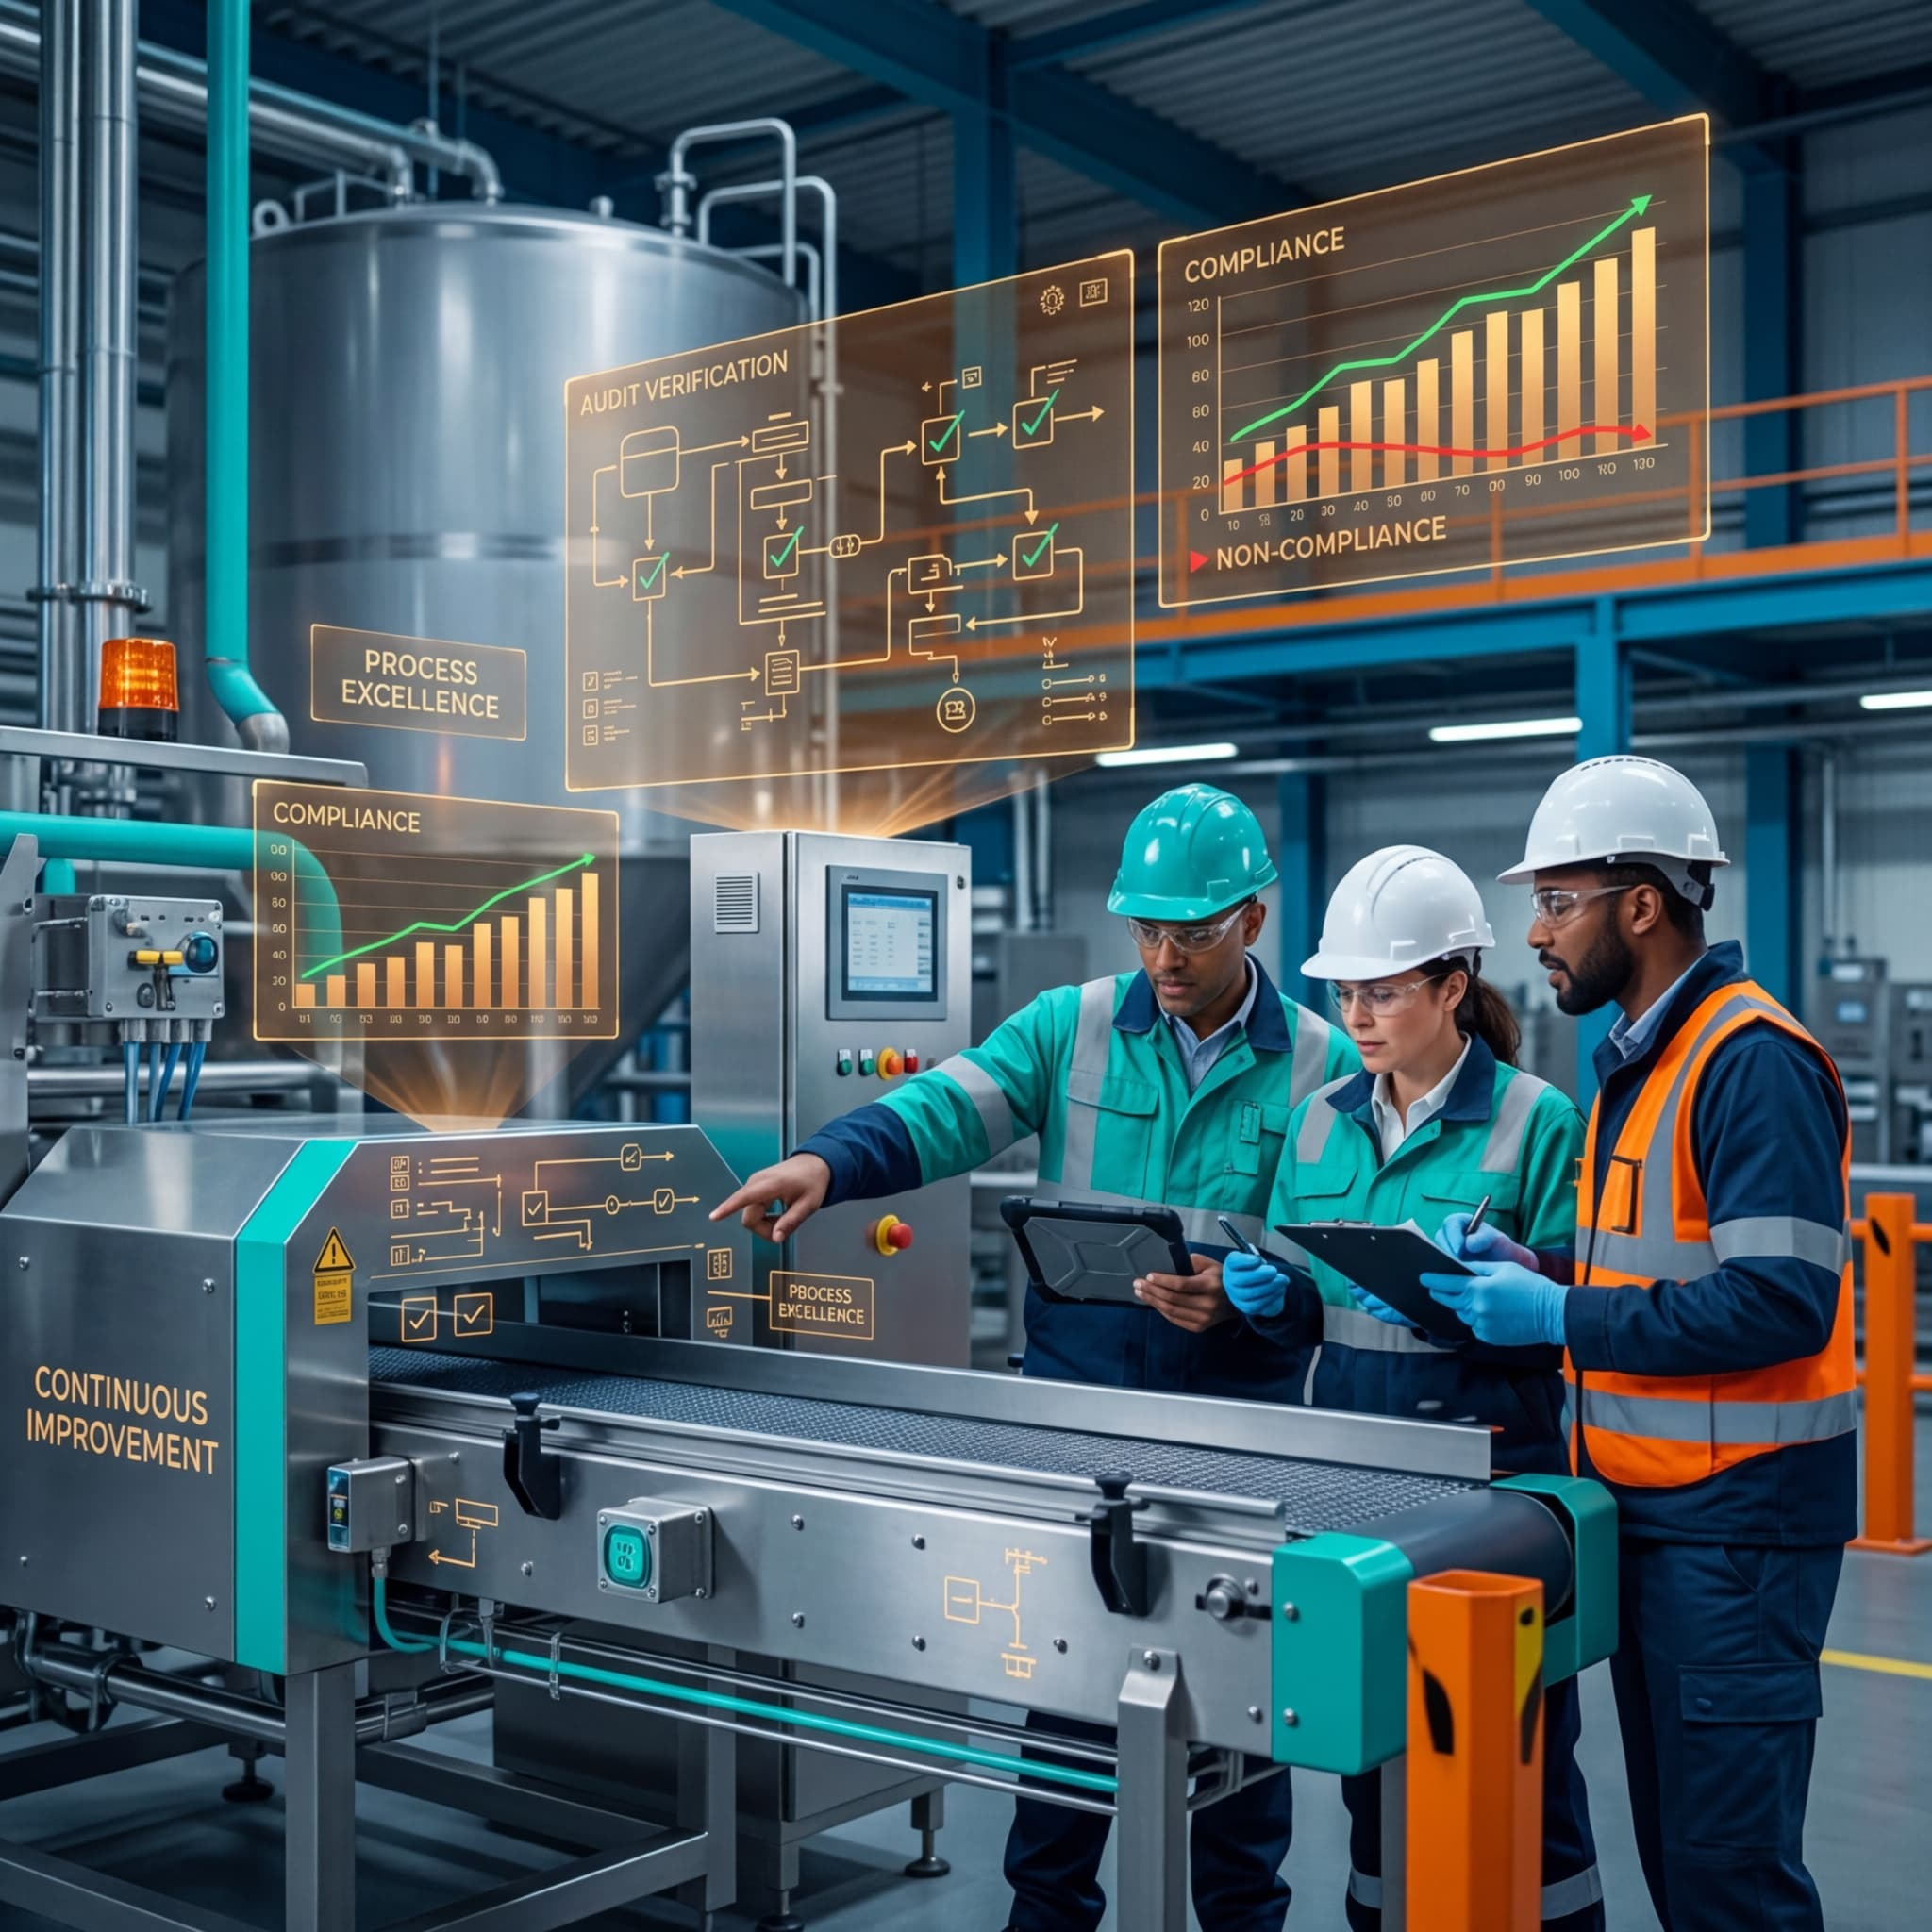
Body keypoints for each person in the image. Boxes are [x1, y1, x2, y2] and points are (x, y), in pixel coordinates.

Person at [711, 781, 1358, 1932]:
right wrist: (825, 1162)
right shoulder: (1072, 1023)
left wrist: (1252, 1303)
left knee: (1241, 1746)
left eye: (1191, 931)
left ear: (1251, 922)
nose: (1162, 954)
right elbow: (941, 1107)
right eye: (1146, 927)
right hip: (1076, 1431)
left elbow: (1328, 1268)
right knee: (1062, 1719)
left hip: (1237, 1439)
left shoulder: (1320, 1062)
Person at [1413, 756, 1854, 1932]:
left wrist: (1559, 1321)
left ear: (1642, 904)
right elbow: (1660, 1274)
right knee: (1679, 1857)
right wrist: (1542, 1274)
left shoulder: (1746, 1061)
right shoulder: (1635, 1060)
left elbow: (1781, 1301)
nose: (1535, 930)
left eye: (1558, 900)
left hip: (1739, 1534)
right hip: (1660, 1520)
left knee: (1727, 1881)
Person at [1220, 845, 1603, 1931]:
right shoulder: (1315, 1118)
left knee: (1521, 1766)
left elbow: (1573, 1311)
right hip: (1354, 1491)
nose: (1360, 1014)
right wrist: (1270, 1298)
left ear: (1451, 986)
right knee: (1368, 1764)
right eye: (1346, 992)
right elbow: (1313, 1302)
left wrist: (1508, 1296)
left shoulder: (1536, 1119)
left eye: (1383, 990)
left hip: (1493, 1491)